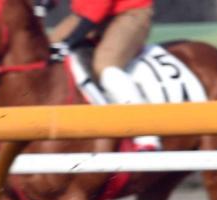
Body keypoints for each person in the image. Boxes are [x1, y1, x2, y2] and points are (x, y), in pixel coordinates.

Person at [48, 0, 160, 150]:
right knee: (43, 53)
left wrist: (70, 41)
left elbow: (99, 6)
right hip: (85, 12)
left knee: (106, 66)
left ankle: (147, 136)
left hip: (130, 11)